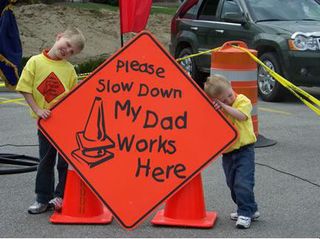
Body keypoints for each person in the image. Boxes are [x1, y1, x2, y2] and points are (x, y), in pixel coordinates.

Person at [16, 27, 85, 214]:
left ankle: (60, 196)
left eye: (72, 52)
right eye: (67, 44)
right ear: (59, 37)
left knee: (64, 162)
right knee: (46, 160)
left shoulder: (70, 70)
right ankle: (42, 199)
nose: (67, 51)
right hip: (46, 125)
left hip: (65, 127)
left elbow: (73, 99)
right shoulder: (35, 62)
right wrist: (38, 110)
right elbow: (25, 88)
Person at [204, 74, 259, 229]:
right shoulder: (221, 108)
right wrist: (217, 109)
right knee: (232, 183)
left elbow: (241, 116)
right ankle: (250, 208)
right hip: (228, 152)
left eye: (229, 94)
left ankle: (245, 212)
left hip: (244, 150)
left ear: (231, 86)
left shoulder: (242, 100)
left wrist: (224, 106)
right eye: (224, 99)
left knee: (243, 183)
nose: (229, 99)